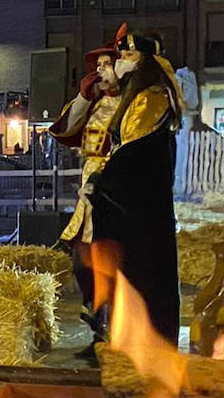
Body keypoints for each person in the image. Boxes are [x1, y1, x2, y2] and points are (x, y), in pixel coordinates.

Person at [87, 32, 184, 343]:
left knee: (146, 273)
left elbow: (132, 148)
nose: (121, 63)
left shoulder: (152, 96)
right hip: (134, 206)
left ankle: (148, 340)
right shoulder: (138, 93)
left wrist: (104, 180)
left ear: (145, 62)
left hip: (143, 207)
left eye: (128, 57)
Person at [50, 44, 123, 340]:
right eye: (99, 65)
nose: (102, 69)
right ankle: (95, 314)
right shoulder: (94, 103)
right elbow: (64, 128)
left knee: (109, 253)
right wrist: (82, 96)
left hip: (116, 183)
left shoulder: (134, 102)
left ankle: (110, 324)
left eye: (109, 63)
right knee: (82, 254)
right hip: (89, 184)